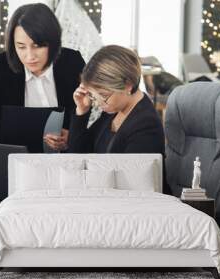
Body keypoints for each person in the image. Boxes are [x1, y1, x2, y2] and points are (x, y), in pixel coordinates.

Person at [0, 3, 85, 151]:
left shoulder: (72, 62)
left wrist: (72, 137)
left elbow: (90, 120)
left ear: (53, 41)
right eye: (21, 46)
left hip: (64, 163)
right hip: (11, 163)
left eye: (37, 45)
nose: (30, 56)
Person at [68, 45, 170, 194]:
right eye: (93, 96)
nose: (97, 103)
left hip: (132, 207)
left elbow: (130, 187)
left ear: (127, 85)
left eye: (103, 95)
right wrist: (82, 112)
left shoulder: (146, 125)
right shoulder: (112, 111)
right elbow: (78, 157)